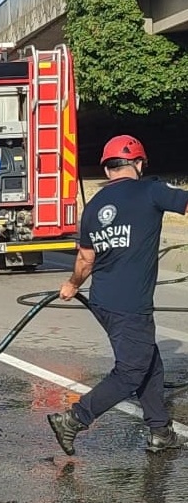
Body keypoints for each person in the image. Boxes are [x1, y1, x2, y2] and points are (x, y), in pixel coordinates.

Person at [48, 134, 188, 455]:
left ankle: (159, 431)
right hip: (131, 304)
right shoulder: (150, 190)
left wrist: (72, 284)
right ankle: (74, 418)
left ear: (108, 169)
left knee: (149, 363)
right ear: (138, 164)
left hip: (103, 301)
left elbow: (86, 259)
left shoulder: (94, 206)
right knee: (131, 371)